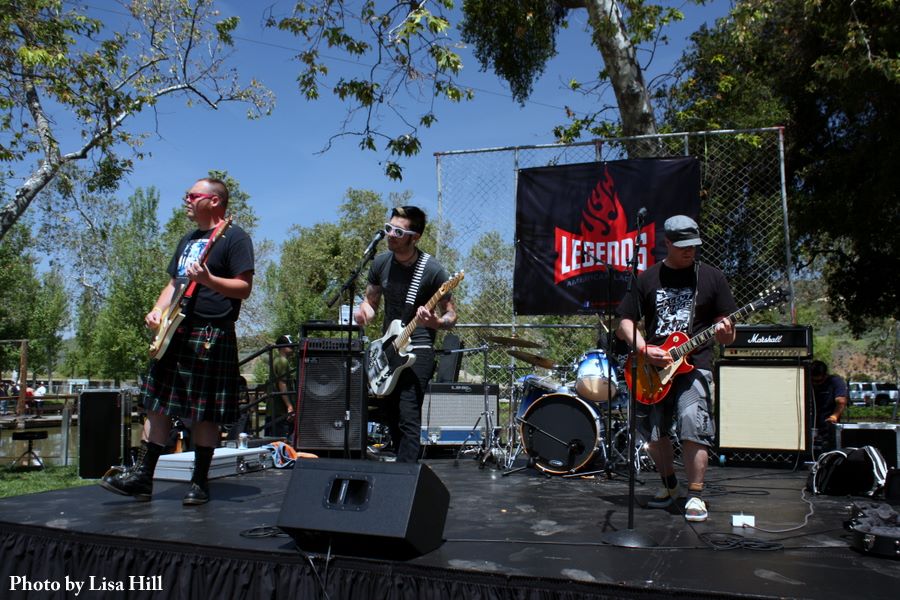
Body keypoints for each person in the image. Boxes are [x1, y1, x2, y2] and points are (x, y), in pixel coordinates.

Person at [100, 177, 254, 505]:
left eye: (192, 195)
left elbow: (244, 288)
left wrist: (209, 279)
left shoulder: (235, 237)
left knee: (204, 413)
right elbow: (174, 283)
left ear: (214, 201)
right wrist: (157, 310)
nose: (186, 200)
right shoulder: (188, 239)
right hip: (175, 332)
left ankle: (200, 483)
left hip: (210, 333)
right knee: (156, 405)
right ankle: (143, 478)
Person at [616, 215, 737, 522]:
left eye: (693, 246)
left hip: (694, 366)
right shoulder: (647, 278)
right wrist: (644, 349)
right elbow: (625, 322)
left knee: (691, 420)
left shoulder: (711, 277)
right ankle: (669, 485)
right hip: (653, 369)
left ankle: (695, 494)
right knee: (654, 431)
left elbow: (727, 332)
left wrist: (726, 332)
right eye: (683, 246)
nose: (689, 251)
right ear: (667, 243)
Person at [354, 206, 457, 463]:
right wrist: (364, 313)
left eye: (398, 232)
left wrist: (435, 322)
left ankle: (407, 473)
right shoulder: (380, 263)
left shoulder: (432, 270)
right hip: (389, 348)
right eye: (389, 228)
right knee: (389, 414)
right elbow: (371, 302)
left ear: (415, 237)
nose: (390, 234)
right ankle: (400, 469)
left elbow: (451, 316)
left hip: (418, 350)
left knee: (407, 413)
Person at [810, 360, 848, 453]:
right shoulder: (806, 382)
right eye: (813, 381)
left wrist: (835, 416)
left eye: (818, 381)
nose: (816, 384)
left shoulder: (835, 381)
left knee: (828, 449)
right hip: (811, 427)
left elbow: (841, 401)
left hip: (828, 426)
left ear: (825, 375)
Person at [269, 334, 296, 437]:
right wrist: (289, 406)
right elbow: (282, 383)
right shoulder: (282, 361)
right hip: (280, 411)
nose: (293, 348)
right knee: (282, 441)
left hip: (276, 411)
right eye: (290, 346)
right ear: (282, 347)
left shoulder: (278, 360)